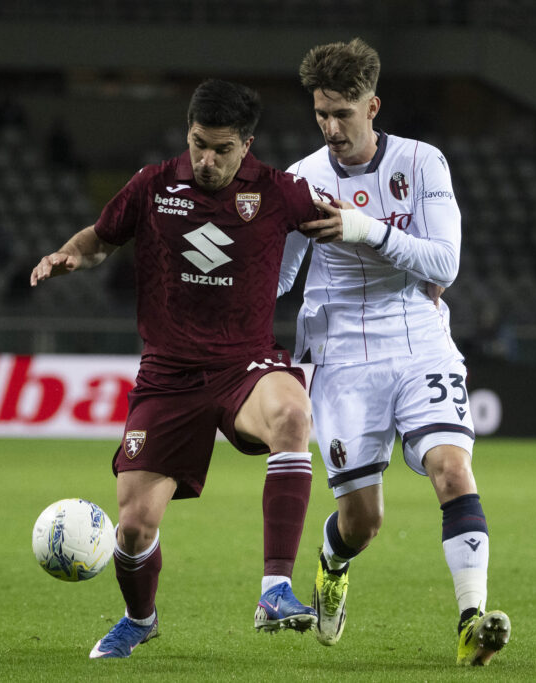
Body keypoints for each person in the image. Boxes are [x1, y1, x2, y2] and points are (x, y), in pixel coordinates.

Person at [30, 79, 325, 659]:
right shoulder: (152, 184)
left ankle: (275, 590)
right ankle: (140, 619)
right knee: (134, 527)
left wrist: (419, 276)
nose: (207, 160)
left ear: (247, 143)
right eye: (197, 144)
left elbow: (344, 232)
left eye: (221, 148)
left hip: (246, 364)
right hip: (167, 373)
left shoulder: (280, 191)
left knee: (293, 413)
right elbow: (100, 239)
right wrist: (70, 255)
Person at [277, 38, 511, 666]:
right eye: (321, 113)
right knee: (361, 523)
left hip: (417, 336)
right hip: (340, 355)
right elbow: (278, 278)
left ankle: (471, 619)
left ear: (372, 105)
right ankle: (331, 563)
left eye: (343, 113)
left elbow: (446, 262)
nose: (331, 128)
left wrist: (362, 228)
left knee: (452, 469)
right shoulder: (302, 179)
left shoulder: (423, 162)